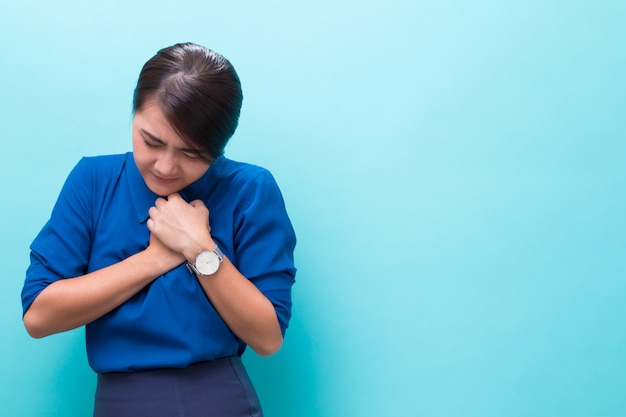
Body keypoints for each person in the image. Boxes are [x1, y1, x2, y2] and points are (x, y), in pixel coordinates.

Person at [21, 42, 296, 417]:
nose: (165, 167)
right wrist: (157, 257)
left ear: (219, 148)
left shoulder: (249, 189)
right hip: (120, 403)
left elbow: (267, 337)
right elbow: (39, 316)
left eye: (191, 153)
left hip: (222, 402)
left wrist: (200, 248)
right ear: (133, 112)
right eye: (151, 142)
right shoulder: (93, 181)